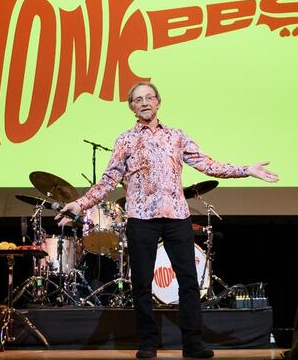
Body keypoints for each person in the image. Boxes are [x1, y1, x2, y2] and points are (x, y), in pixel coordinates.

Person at [55, 81, 279, 359]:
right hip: (141, 218)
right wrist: (79, 203)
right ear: (131, 108)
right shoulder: (125, 140)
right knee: (141, 283)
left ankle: (192, 343)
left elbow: (208, 164)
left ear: (159, 102)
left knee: (188, 281)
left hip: (176, 217)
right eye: (138, 100)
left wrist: (247, 170)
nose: (145, 102)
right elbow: (108, 180)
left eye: (150, 97)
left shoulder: (177, 136)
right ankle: (148, 342)